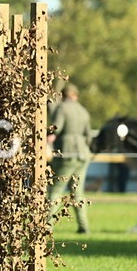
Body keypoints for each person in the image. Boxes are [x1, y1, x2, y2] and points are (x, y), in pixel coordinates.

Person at [46, 82, 93, 233]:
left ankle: (47, 226)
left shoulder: (62, 108)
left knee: (55, 190)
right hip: (83, 155)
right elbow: (88, 136)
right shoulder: (83, 111)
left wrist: (46, 134)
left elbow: (56, 127)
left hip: (66, 153)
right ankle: (84, 227)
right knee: (78, 192)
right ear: (76, 95)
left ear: (63, 95)